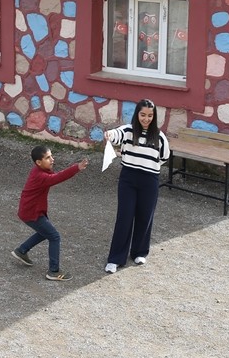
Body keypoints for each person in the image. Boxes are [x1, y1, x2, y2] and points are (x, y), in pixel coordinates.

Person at [102, 99, 170, 274]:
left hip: (150, 180)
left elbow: (164, 158)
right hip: (128, 179)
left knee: (145, 216)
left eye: (149, 116)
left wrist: (147, 166)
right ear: (137, 114)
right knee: (124, 217)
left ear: (154, 117)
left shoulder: (160, 137)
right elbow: (116, 134)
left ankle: (139, 252)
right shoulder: (128, 130)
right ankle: (115, 258)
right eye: (142, 115)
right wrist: (109, 134)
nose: (146, 119)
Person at [11, 146, 88, 281]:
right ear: (38, 162)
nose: (52, 159)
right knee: (54, 236)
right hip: (32, 213)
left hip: (29, 211)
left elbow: (53, 176)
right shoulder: (40, 175)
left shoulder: (39, 170)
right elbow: (57, 178)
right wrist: (77, 168)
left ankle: (21, 250)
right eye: (48, 157)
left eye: (51, 156)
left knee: (44, 233)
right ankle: (53, 271)